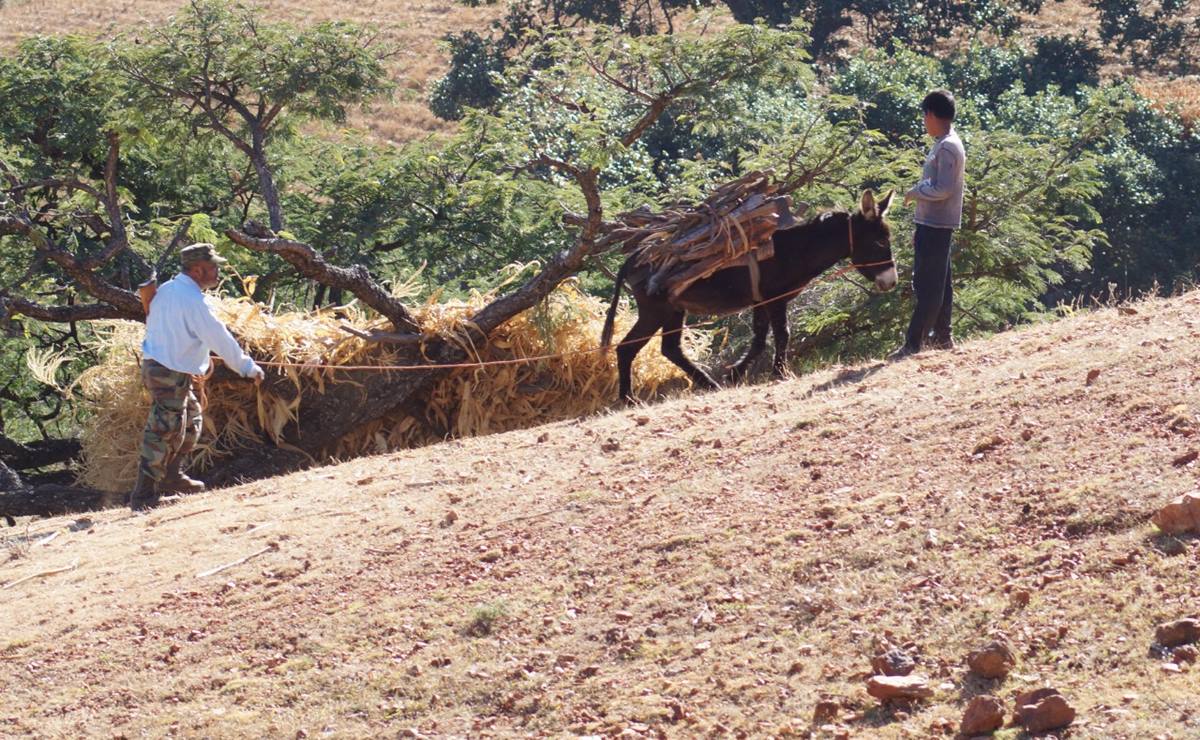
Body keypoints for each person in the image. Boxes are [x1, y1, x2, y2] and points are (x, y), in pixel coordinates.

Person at [131, 243, 265, 511]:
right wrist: (247, 367)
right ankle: (143, 496)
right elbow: (219, 337)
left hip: (166, 368)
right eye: (213, 267)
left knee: (191, 420)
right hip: (168, 370)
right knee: (162, 430)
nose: (217, 272)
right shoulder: (193, 301)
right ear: (197, 269)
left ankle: (171, 477)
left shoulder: (168, 290)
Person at [892, 89, 966, 360]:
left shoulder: (947, 146)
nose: (924, 121)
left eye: (925, 115)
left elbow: (943, 188)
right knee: (941, 284)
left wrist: (916, 192)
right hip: (932, 223)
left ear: (932, 114)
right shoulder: (945, 142)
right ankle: (943, 337)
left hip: (937, 224)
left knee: (927, 285)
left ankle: (914, 343)